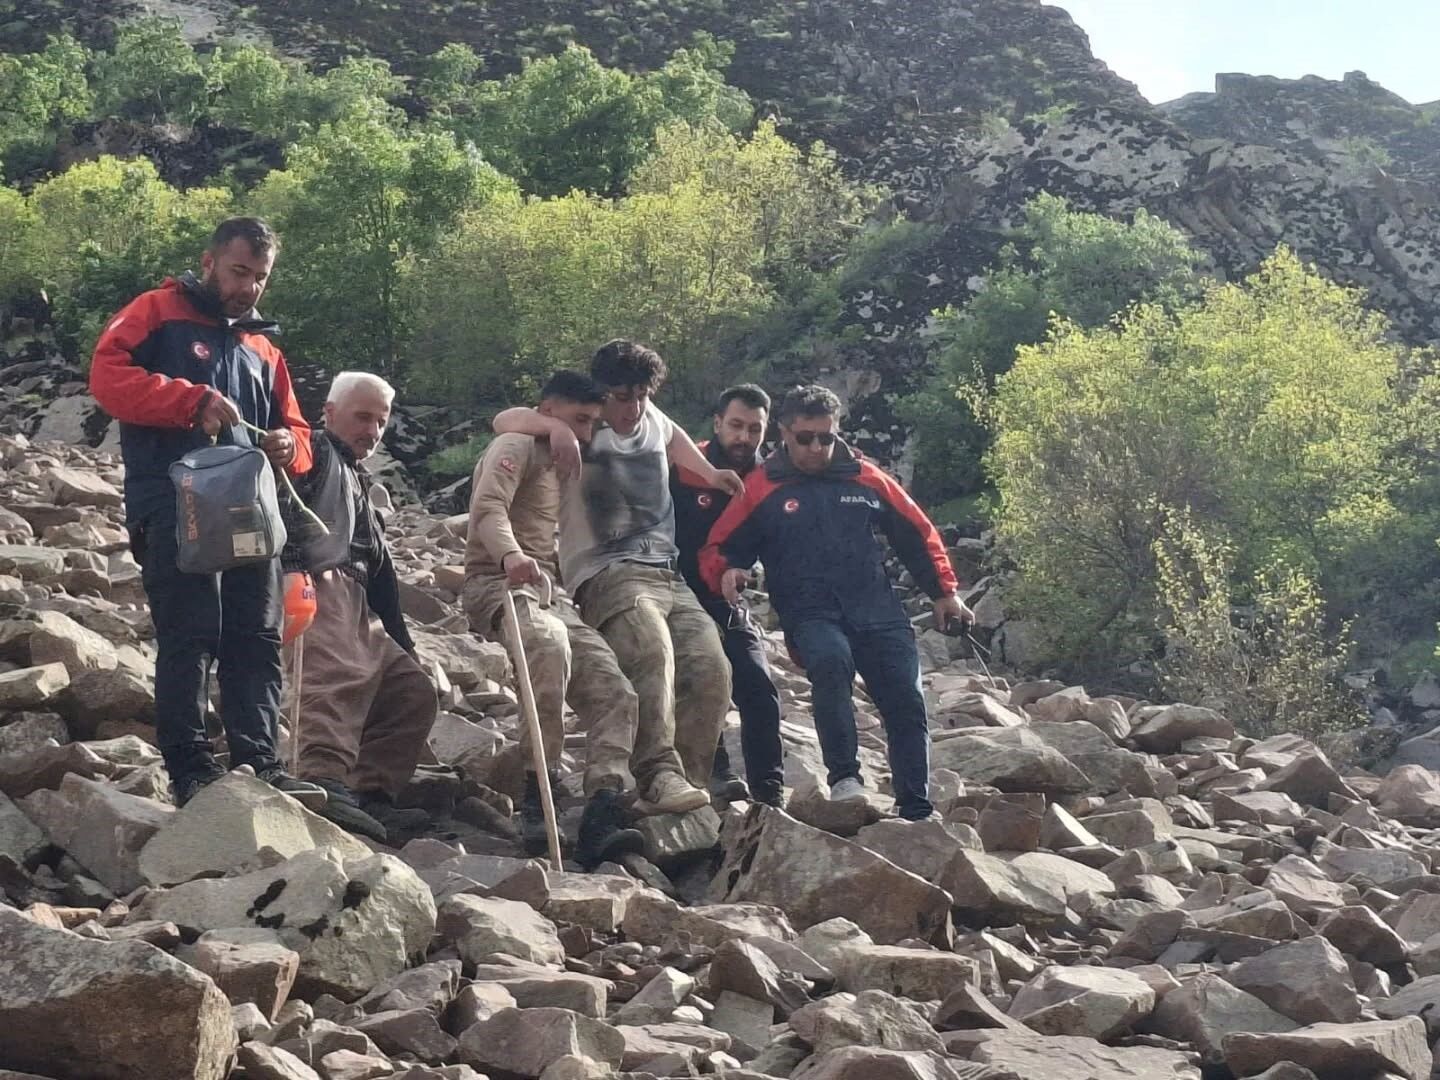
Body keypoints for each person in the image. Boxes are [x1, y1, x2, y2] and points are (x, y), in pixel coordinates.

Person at [89, 217, 324, 807]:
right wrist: (188, 400)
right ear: (209, 262)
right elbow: (107, 378)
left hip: (250, 511)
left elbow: (299, 432)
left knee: (257, 633)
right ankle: (190, 771)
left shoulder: (264, 349)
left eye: (260, 278)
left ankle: (260, 765)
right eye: (239, 272)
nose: (248, 287)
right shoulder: (155, 311)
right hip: (170, 500)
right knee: (190, 633)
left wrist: (287, 445)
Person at [701, 384, 972, 821]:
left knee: (905, 697)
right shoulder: (761, 486)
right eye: (805, 437)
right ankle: (845, 778)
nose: (816, 448)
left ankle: (915, 807)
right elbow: (722, 545)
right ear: (785, 434)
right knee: (831, 663)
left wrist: (945, 593)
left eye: (826, 438)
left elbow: (917, 534)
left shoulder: (865, 477)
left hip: (877, 608)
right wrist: (729, 570)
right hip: (809, 612)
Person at [492, 341, 740, 808]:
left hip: (667, 571)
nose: (633, 407)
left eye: (642, 395)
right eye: (622, 397)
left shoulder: (650, 417)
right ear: (602, 393)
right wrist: (552, 429)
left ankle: (688, 784)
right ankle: (656, 773)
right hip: (606, 572)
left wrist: (709, 473)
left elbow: (673, 437)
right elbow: (505, 421)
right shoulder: (582, 424)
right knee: (651, 651)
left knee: (711, 666)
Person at [463, 371, 649, 868]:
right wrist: (509, 557)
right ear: (549, 410)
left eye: (593, 422)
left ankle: (604, 806)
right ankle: (536, 789)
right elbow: (488, 508)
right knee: (547, 647)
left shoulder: (574, 450)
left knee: (615, 690)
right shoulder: (516, 443)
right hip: (498, 582)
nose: (587, 432)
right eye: (579, 420)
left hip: (551, 592)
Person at [279, 371, 438, 843]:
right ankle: (322, 781)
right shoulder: (314, 449)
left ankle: (370, 794)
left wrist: (403, 642)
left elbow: (381, 570)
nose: (372, 430)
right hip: (315, 581)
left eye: (381, 422)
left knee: (410, 692)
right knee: (332, 677)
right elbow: (281, 502)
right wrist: (292, 571)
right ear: (330, 414)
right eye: (362, 417)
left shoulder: (355, 474)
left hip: (359, 599)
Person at [670, 384, 785, 807]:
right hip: (675, 591)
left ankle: (770, 795)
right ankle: (715, 772)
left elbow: (777, 544)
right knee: (702, 676)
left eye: (754, 429)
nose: (744, 437)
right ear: (717, 423)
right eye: (735, 426)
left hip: (729, 598)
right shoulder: (683, 466)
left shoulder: (768, 479)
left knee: (757, 684)